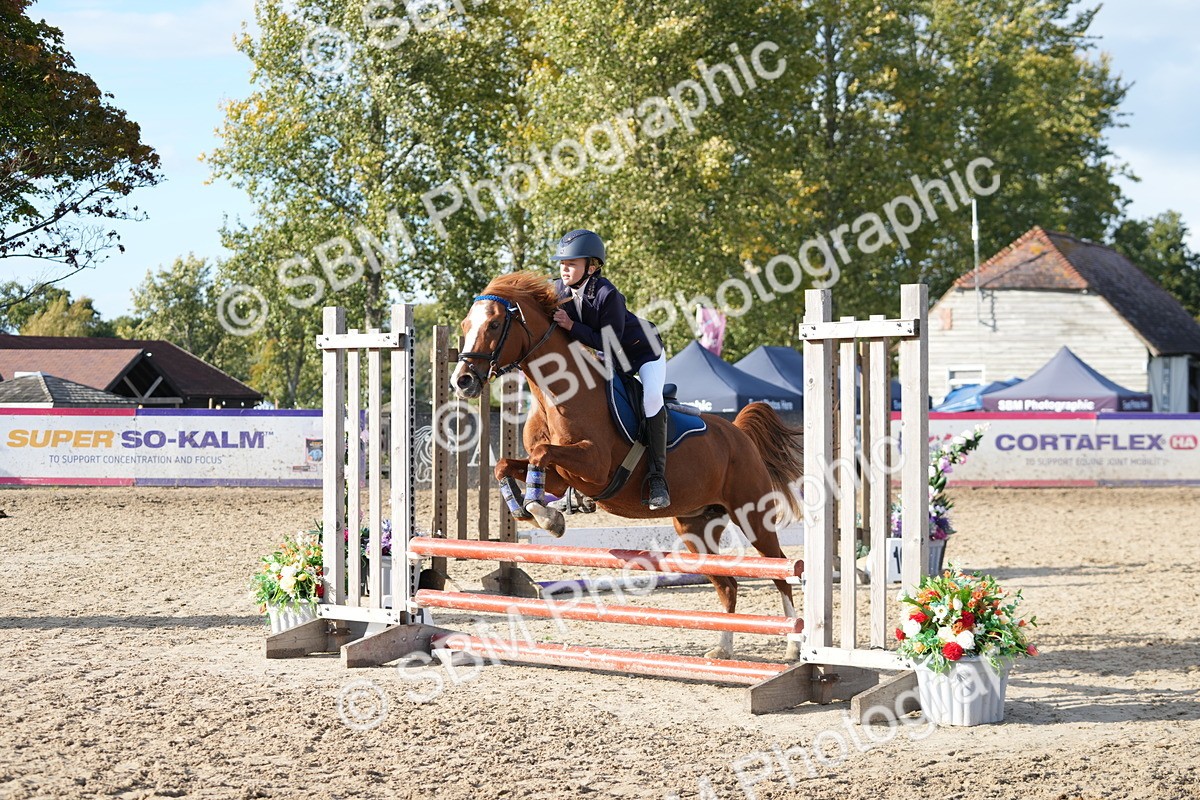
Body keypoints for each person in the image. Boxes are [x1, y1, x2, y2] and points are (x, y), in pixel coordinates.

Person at [549, 229, 671, 509]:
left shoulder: (607, 294)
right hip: (606, 358)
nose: (564, 269)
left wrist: (572, 326)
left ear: (591, 267)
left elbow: (610, 340)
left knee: (651, 398)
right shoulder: (558, 290)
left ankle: (657, 478)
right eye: (562, 263)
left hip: (642, 353)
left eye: (572, 263)